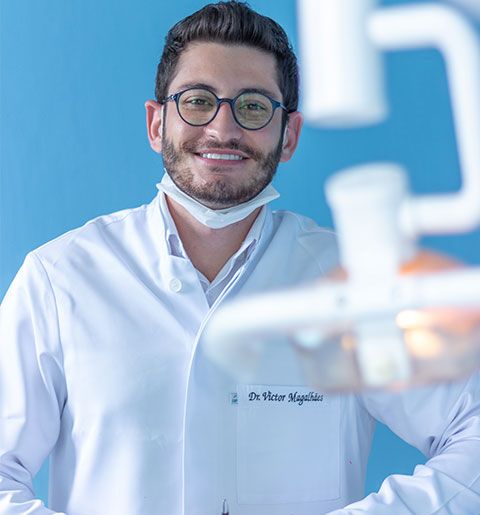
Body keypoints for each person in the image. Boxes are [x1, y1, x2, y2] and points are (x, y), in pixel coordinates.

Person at [0, 1, 479, 514]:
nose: (222, 129)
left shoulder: (355, 281)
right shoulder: (60, 280)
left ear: (289, 135)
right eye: (197, 101)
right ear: (156, 124)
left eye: (253, 106)